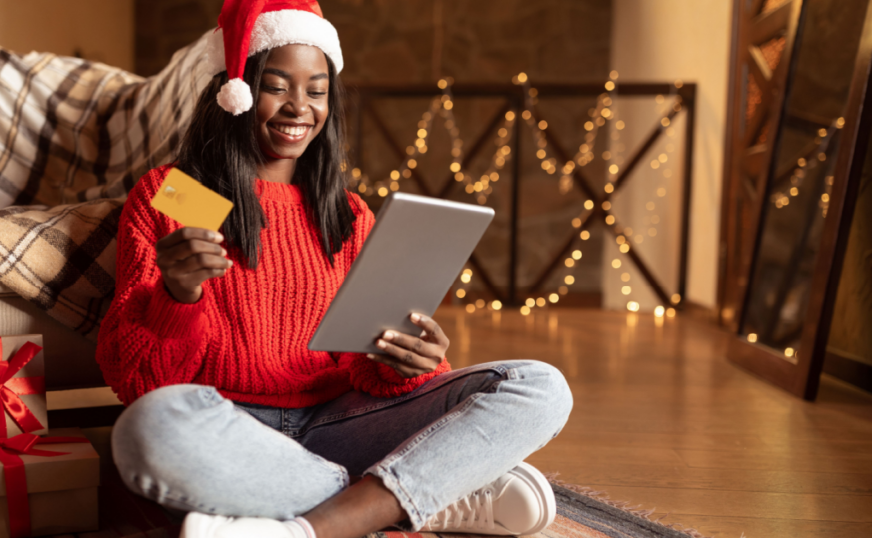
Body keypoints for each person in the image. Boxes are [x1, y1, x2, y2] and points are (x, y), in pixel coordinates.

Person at [95, 1, 574, 537]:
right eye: (277, 86)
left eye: (316, 90)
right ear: (237, 90)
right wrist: (177, 297)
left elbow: (362, 369)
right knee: (148, 428)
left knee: (540, 387)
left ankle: (308, 527)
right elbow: (140, 381)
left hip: (340, 423)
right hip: (232, 427)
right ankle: (415, 496)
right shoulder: (179, 193)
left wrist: (407, 363)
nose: (299, 107)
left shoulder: (344, 214)